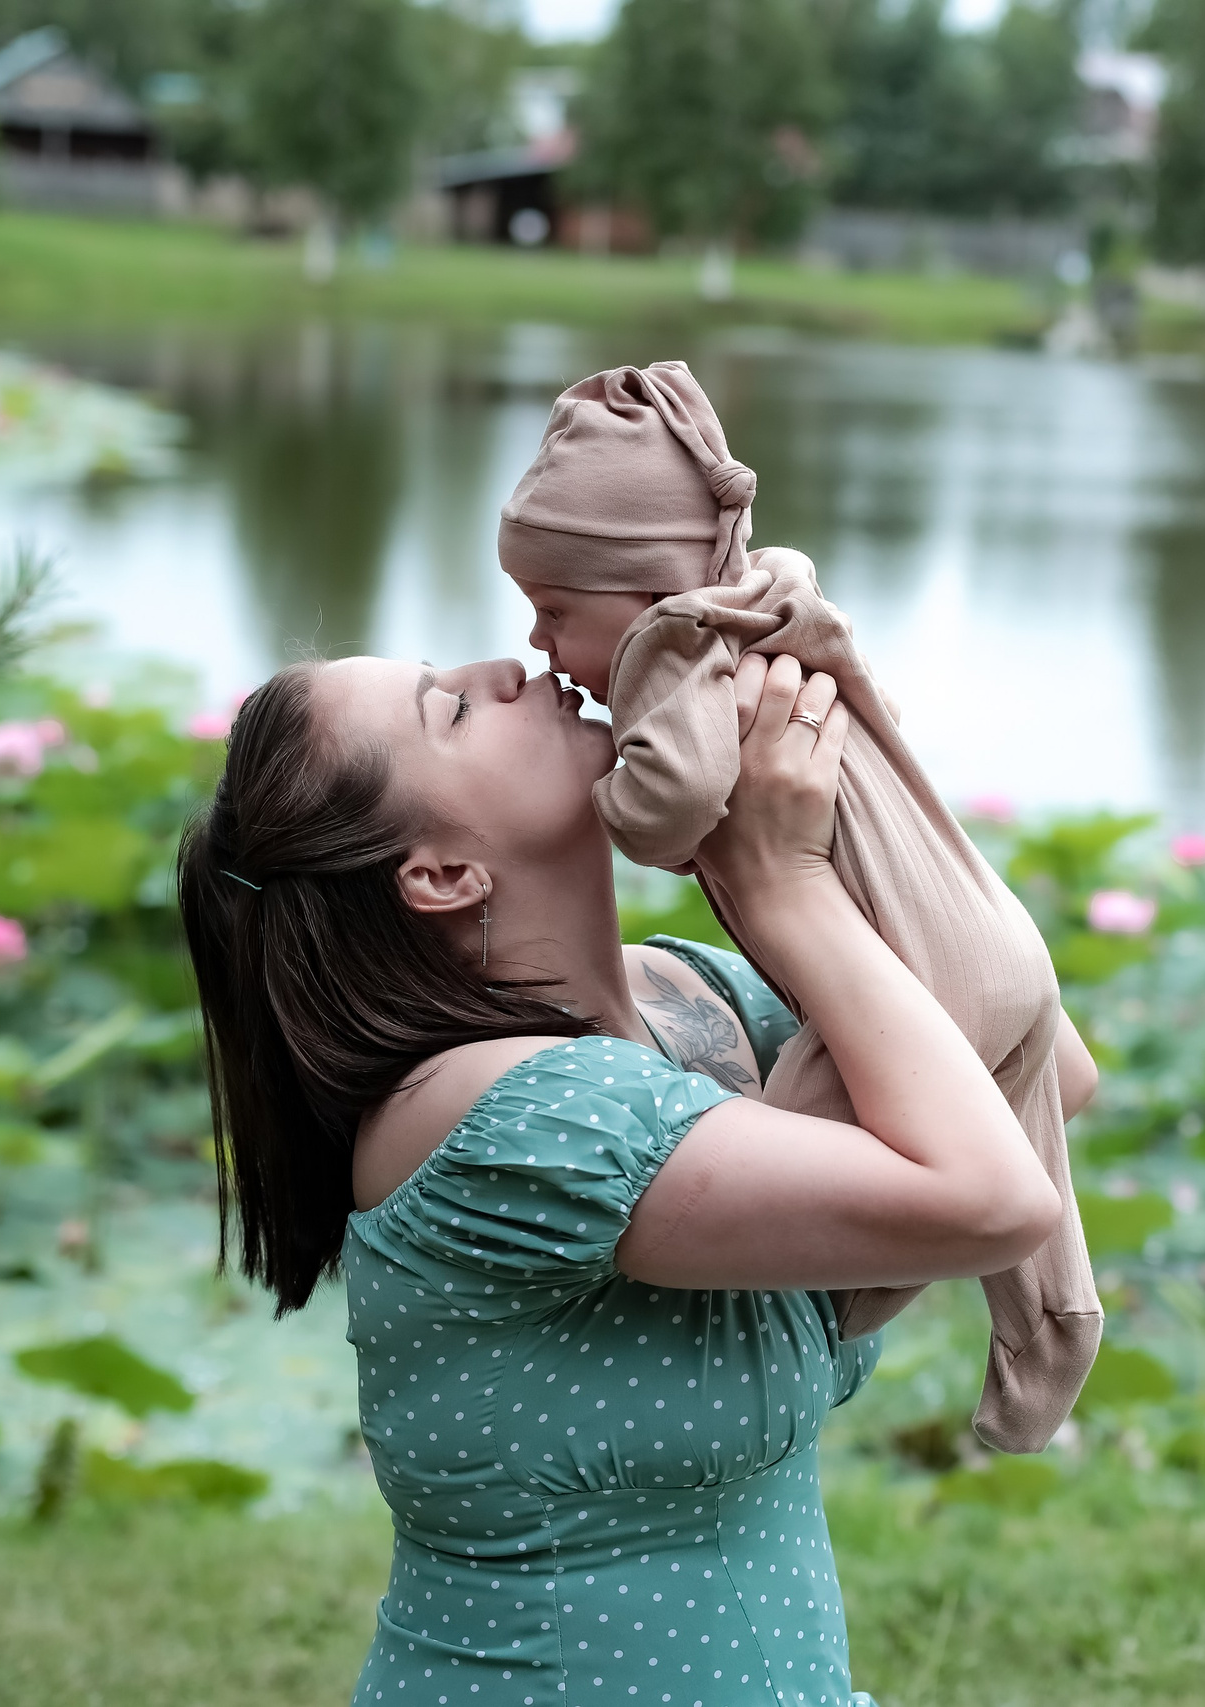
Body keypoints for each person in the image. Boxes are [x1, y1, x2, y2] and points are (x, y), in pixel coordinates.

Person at [176, 649, 1096, 1707]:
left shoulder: (691, 1000)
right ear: (441, 875)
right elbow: (992, 1199)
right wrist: (785, 887)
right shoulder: (498, 1115)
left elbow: (1041, 1066)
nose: (506, 666)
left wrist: (857, 782)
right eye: (453, 709)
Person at [499, 360, 1101, 1452]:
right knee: (1029, 1179)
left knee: (803, 1197)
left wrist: (602, 793)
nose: (538, 644)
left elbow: (673, 803)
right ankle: (1056, 1320)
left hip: (919, 974)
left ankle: (817, 1329)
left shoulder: (674, 647)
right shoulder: (780, 603)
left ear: (645, 590)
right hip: (983, 936)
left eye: (553, 611)